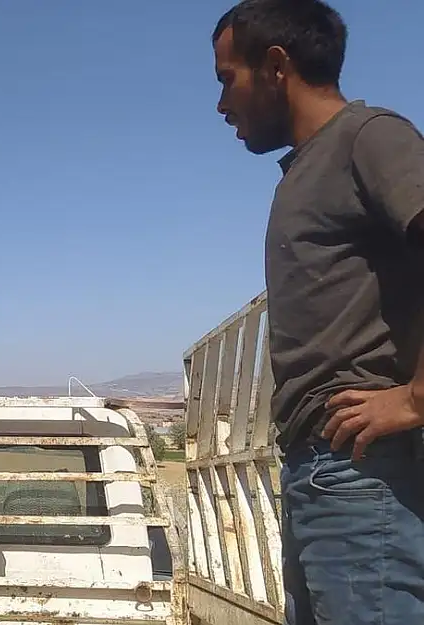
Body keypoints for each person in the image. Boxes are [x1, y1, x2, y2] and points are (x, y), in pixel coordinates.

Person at [211, 1, 424, 623]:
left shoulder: (369, 137)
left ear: (276, 66)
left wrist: (416, 398)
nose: (223, 105)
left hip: (362, 470)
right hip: (321, 467)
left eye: (228, 79)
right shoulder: (306, 169)